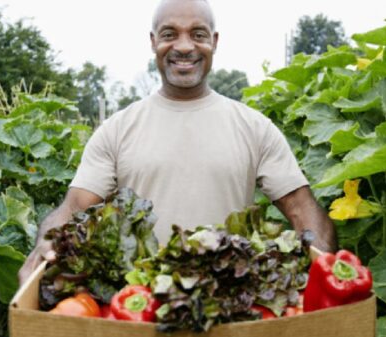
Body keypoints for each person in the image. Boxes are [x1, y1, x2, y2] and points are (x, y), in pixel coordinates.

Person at [18, 0, 336, 285]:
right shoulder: (117, 130)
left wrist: (321, 270)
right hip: (137, 307)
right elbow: (74, 208)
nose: (184, 46)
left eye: (198, 34)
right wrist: (44, 247)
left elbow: (302, 211)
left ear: (214, 41)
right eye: (170, 34)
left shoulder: (254, 128)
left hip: (229, 307)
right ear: (154, 41)